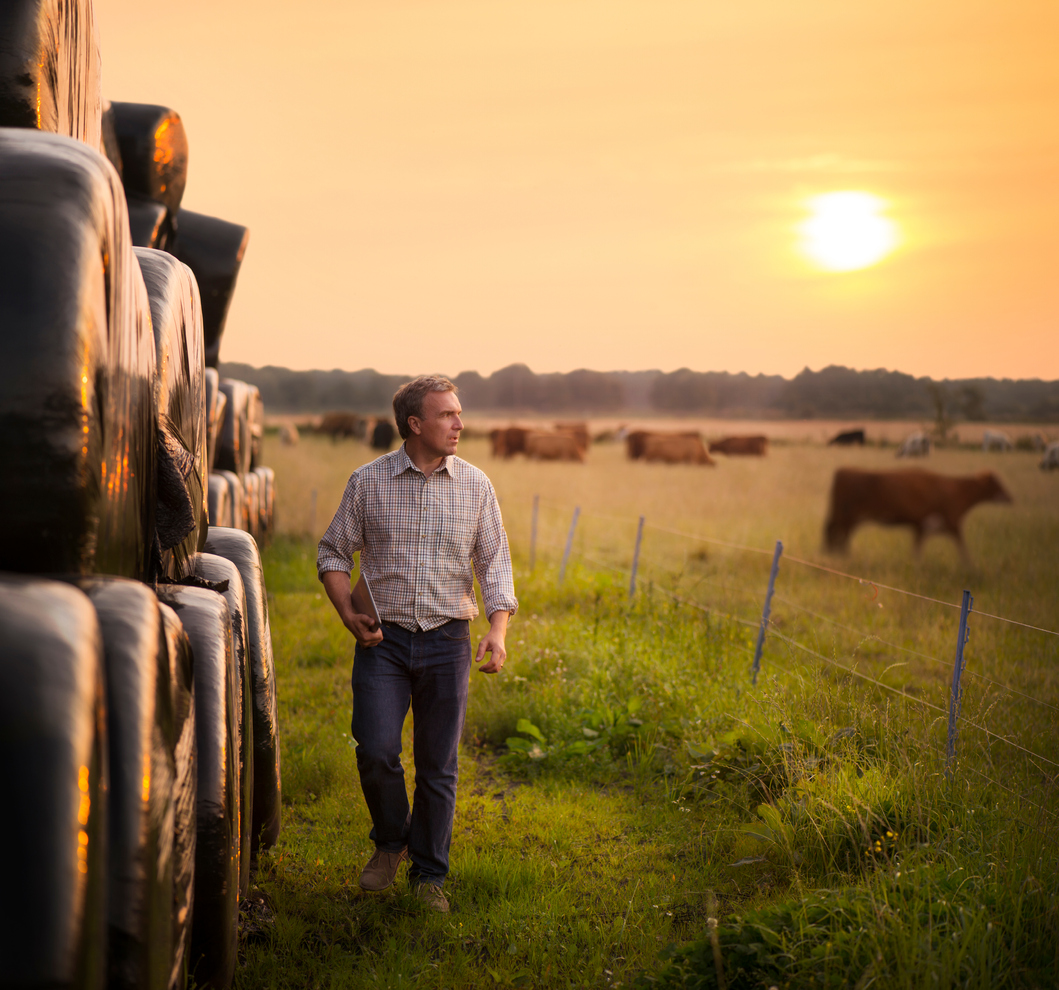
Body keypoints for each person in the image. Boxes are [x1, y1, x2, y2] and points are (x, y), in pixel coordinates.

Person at [317, 375, 517, 913]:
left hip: (448, 640)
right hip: (383, 642)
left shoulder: (476, 486)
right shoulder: (367, 482)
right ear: (415, 424)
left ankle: (430, 877)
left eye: (458, 413)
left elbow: (494, 564)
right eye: (447, 414)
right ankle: (390, 840)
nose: (459, 423)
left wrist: (496, 632)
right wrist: (348, 615)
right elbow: (333, 553)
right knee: (377, 749)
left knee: (438, 764)